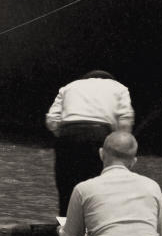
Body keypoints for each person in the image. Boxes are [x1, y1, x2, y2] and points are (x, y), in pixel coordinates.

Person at [46, 131, 162, 236]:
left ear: (101, 154)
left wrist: (62, 234)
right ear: (133, 161)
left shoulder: (83, 189)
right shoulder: (152, 187)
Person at [45, 69, 134, 215]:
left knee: (66, 185)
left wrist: (65, 134)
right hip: (99, 134)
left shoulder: (69, 87)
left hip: (68, 133)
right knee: (99, 185)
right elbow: (125, 120)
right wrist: (121, 144)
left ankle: (66, 224)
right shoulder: (119, 88)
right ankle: (97, 222)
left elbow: (52, 119)